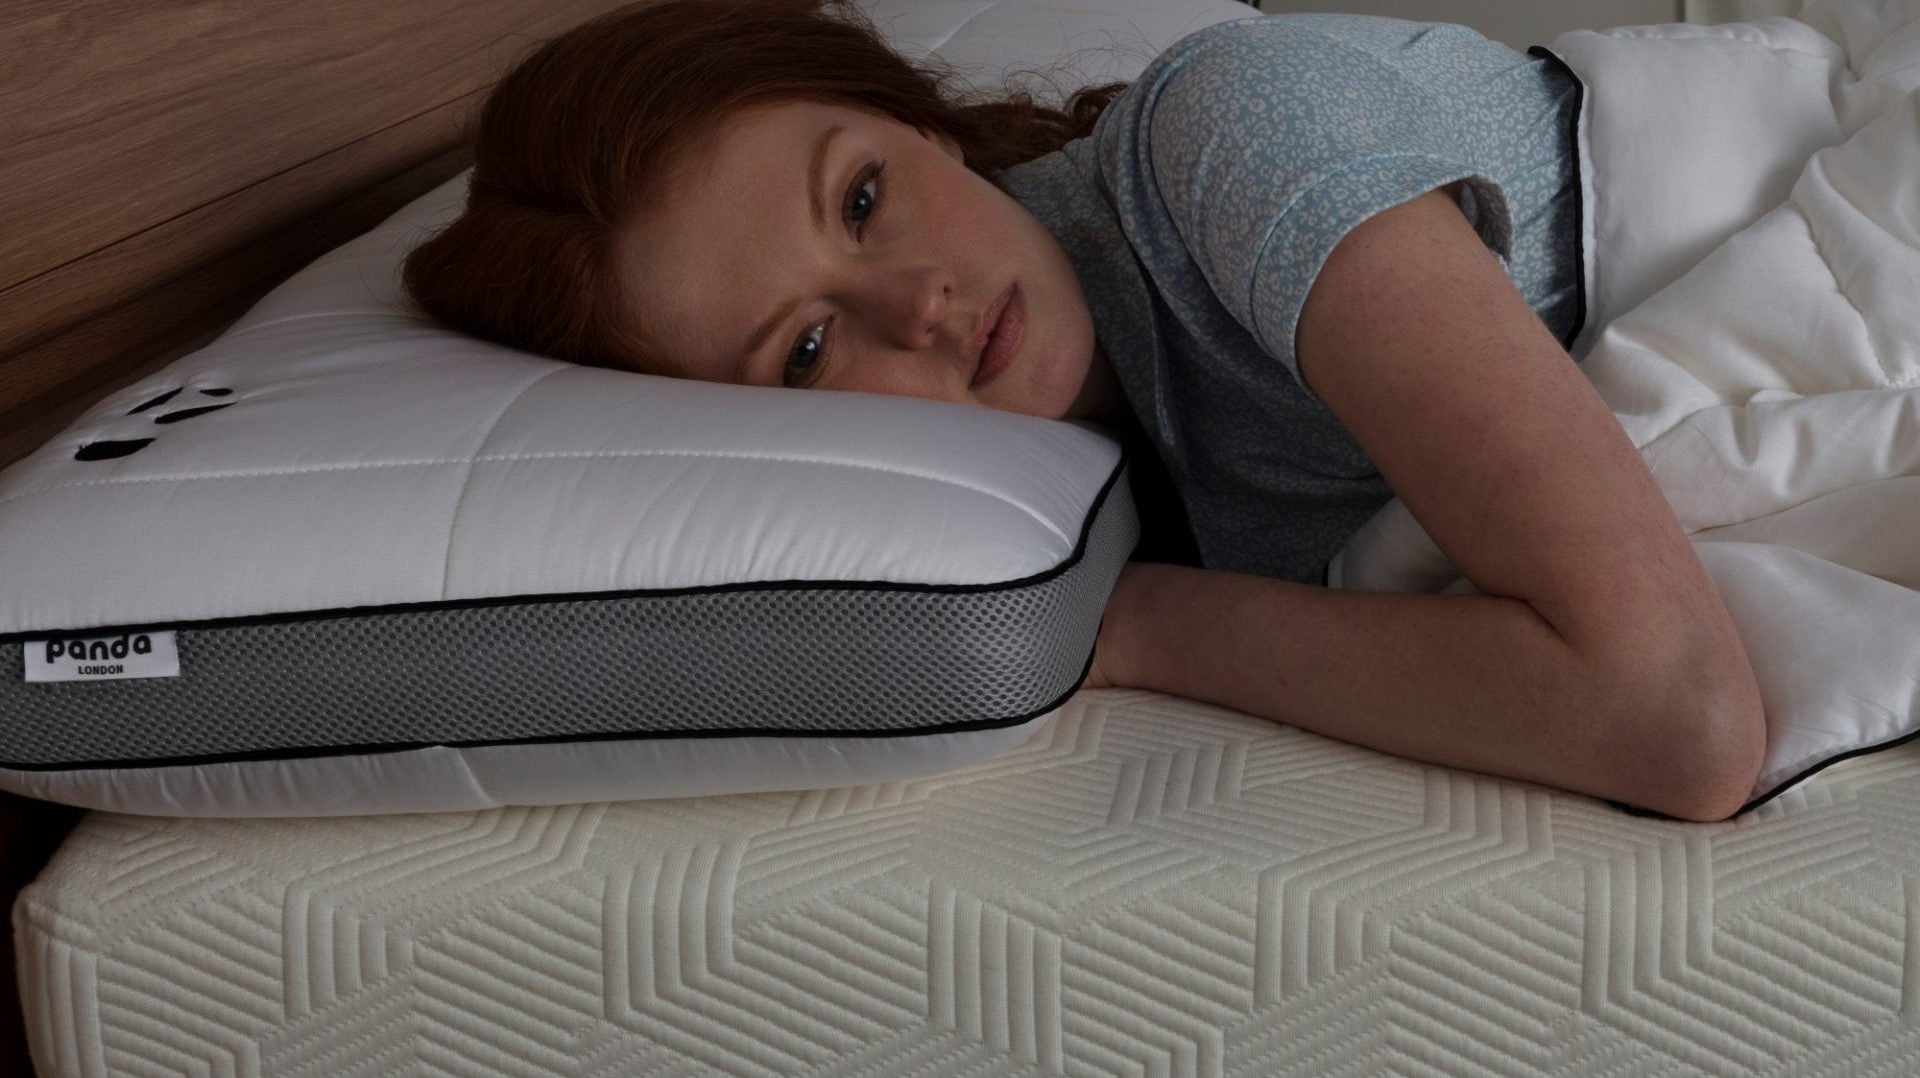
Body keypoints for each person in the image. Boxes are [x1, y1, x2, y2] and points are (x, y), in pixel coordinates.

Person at [401, 0, 1765, 822]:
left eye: (864, 196)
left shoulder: (1231, 136)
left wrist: (1141, 632)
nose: (922, 302)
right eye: (808, 346)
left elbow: (1678, 720)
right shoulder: (1063, 480)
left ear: (918, 125)